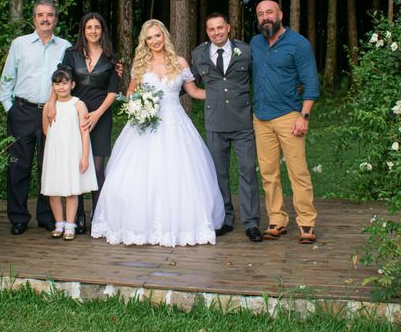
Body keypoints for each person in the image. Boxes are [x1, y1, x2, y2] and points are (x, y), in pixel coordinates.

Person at [91, 19, 225, 246]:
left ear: (165, 36)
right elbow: (130, 93)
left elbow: (193, 92)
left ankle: (181, 226)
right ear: (145, 41)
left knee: (181, 175)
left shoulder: (180, 62)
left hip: (176, 124)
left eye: (158, 36)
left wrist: (220, 94)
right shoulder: (140, 64)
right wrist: (140, 105)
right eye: (149, 37)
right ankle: (137, 225)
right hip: (146, 126)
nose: (154, 41)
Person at [0, 0, 71, 235]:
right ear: (34, 19)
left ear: (55, 19)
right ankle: (18, 217)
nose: (45, 18)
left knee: (49, 166)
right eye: (40, 14)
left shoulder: (66, 47)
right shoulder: (20, 44)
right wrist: (10, 108)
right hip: (23, 111)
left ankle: (46, 216)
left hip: (53, 112)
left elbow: (77, 75)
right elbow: (7, 78)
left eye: (50, 14)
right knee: (19, 166)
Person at [251, 0, 320, 244]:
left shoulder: (298, 44)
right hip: (261, 118)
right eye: (260, 14)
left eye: (269, 12)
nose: (265, 17)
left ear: (280, 14)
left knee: (297, 171)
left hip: (290, 116)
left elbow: (311, 82)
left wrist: (304, 116)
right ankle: (277, 220)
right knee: (269, 173)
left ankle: (306, 222)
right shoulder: (256, 43)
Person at [191, 13, 262, 242]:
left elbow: (260, 80)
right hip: (215, 123)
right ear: (207, 32)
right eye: (211, 29)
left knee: (248, 171)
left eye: (220, 28)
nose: (216, 33)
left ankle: (251, 223)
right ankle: (225, 219)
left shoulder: (247, 51)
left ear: (228, 28)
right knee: (219, 174)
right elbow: (187, 83)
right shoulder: (198, 54)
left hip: (242, 122)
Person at [45, 13, 119, 234]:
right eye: (89, 27)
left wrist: (96, 114)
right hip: (72, 114)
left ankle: (98, 217)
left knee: (96, 167)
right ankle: (76, 219)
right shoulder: (71, 54)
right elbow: (59, 79)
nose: (93, 31)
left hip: (100, 114)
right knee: (73, 165)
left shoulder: (110, 57)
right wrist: (51, 103)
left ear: (102, 30)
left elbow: (113, 91)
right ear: (83, 30)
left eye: (97, 27)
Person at [41, 66, 98, 240]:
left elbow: (84, 132)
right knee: (53, 189)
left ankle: (70, 225)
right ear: (53, 87)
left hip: (73, 152)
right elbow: (46, 131)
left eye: (65, 83)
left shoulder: (79, 105)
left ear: (72, 84)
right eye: (57, 84)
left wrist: (85, 155)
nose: (61, 87)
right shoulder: (49, 107)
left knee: (72, 189)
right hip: (55, 153)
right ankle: (59, 223)